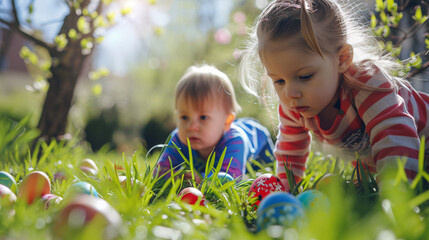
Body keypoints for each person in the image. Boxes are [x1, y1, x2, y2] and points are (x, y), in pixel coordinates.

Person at [239, 0, 429, 190]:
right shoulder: (295, 103)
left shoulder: (367, 83)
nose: (290, 93)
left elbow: (394, 136)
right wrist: (286, 191)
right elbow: (290, 150)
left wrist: (395, 194)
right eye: (279, 81)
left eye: (305, 76)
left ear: (342, 59)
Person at [155, 64, 274, 183]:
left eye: (203, 117)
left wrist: (199, 178)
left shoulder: (235, 140)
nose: (191, 127)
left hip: (260, 145)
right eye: (184, 117)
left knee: (270, 172)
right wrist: (175, 176)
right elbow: (159, 172)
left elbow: (231, 178)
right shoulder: (178, 139)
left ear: (226, 121)